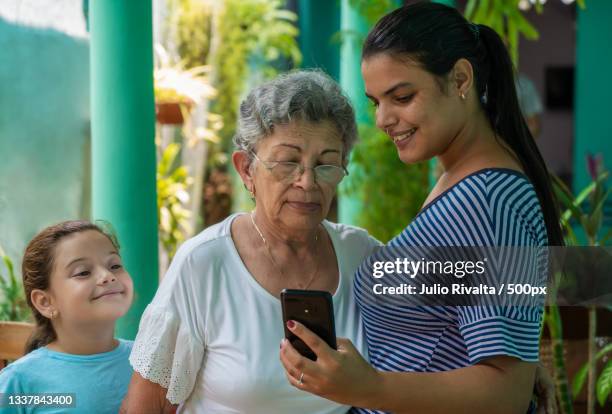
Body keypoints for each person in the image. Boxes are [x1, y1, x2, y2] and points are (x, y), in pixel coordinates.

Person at [280, 2, 563, 414]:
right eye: (376, 102)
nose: (382, 119)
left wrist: (368, 387)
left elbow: (506, 394)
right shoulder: (461, 181)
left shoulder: (486, 199)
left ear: (461, 79)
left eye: (402, 96)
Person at [122, 70, 380, 413]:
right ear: (246, 170)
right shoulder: (204, 263)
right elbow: (146, 408)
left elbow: (464, 289)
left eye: (326, 164)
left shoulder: (362, 254)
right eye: (288, 162)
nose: (307, 181)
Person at [0, 220, 134, 414]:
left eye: (114, 265)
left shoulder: (152, 364)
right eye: (83, 272)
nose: (107, 276)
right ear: (45, 302)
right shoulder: (19, 383)